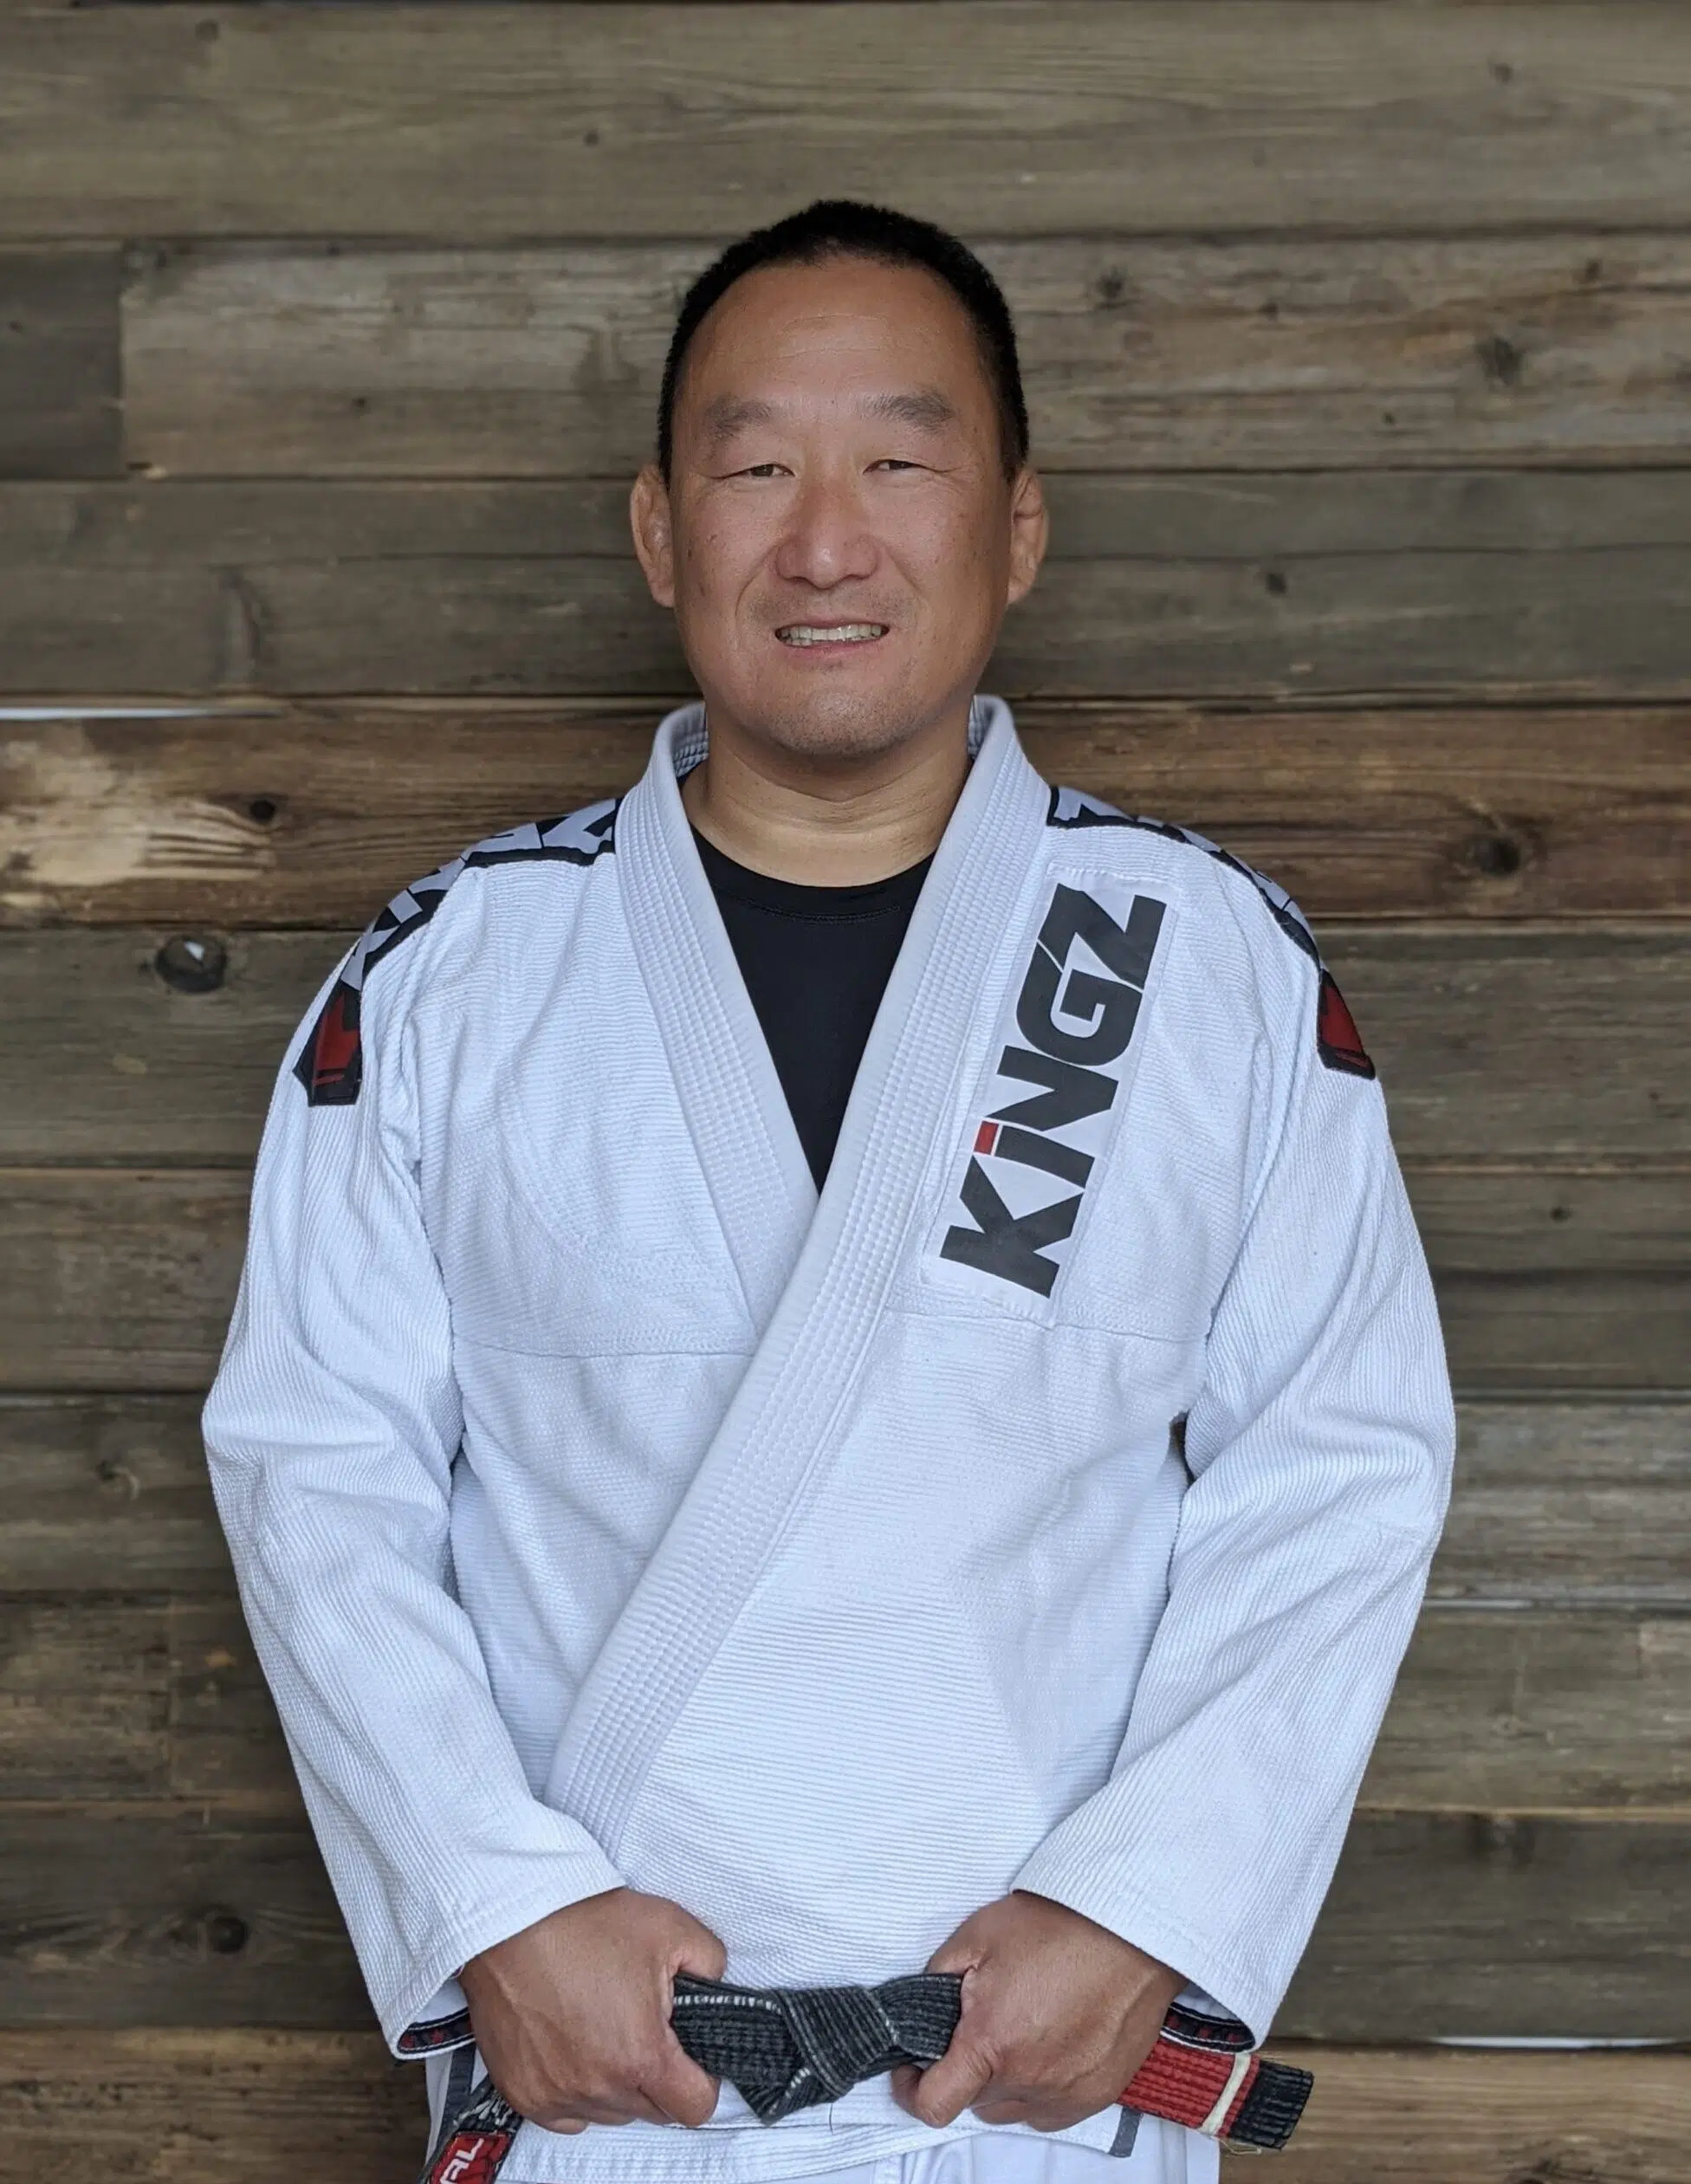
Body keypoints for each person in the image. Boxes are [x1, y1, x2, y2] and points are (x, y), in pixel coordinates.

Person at [201, 199, 1456, 2184]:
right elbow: (316, 1467)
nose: (824, 536)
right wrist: (489, 1908)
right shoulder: (452, 978)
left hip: (1033, 2080)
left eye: (897, 457)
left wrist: (1146, 1913)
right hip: (606, 2069)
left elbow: (1338, 1466)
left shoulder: (1202, 969)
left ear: (1015, 526)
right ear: (656, 530)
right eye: (756, 465)